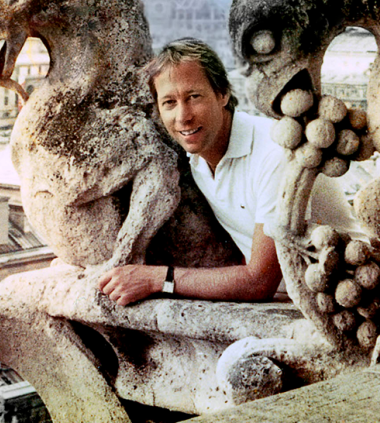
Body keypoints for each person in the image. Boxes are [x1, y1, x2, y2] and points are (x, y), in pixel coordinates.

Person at [98, 38, 358, 305]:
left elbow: (259, 281)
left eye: (193, 97)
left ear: (222, 94)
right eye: (169, 102)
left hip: (346, 295)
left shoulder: (274, 153)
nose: (183, 116)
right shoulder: (196, 158)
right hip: (288, 296)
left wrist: (156, 279)